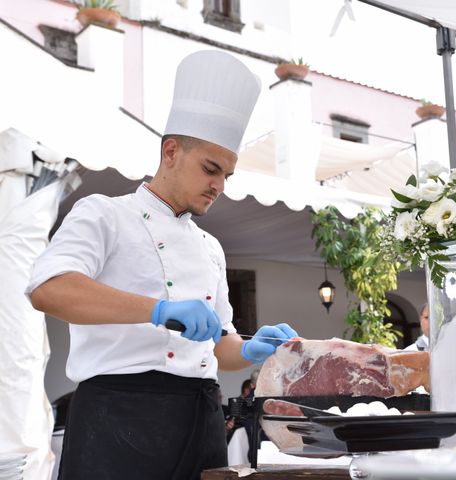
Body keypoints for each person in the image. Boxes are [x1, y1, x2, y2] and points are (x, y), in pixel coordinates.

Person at [26, 50, 297, 480]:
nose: (219, 186)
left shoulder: (211, 247)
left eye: (228, 175)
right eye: (211, 169)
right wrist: (157, 310)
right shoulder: (104, 213)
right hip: (117, 420)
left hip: (202, 421)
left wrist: (246, 348)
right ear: (170, 151)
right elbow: (49, 288)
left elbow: (219, 348)